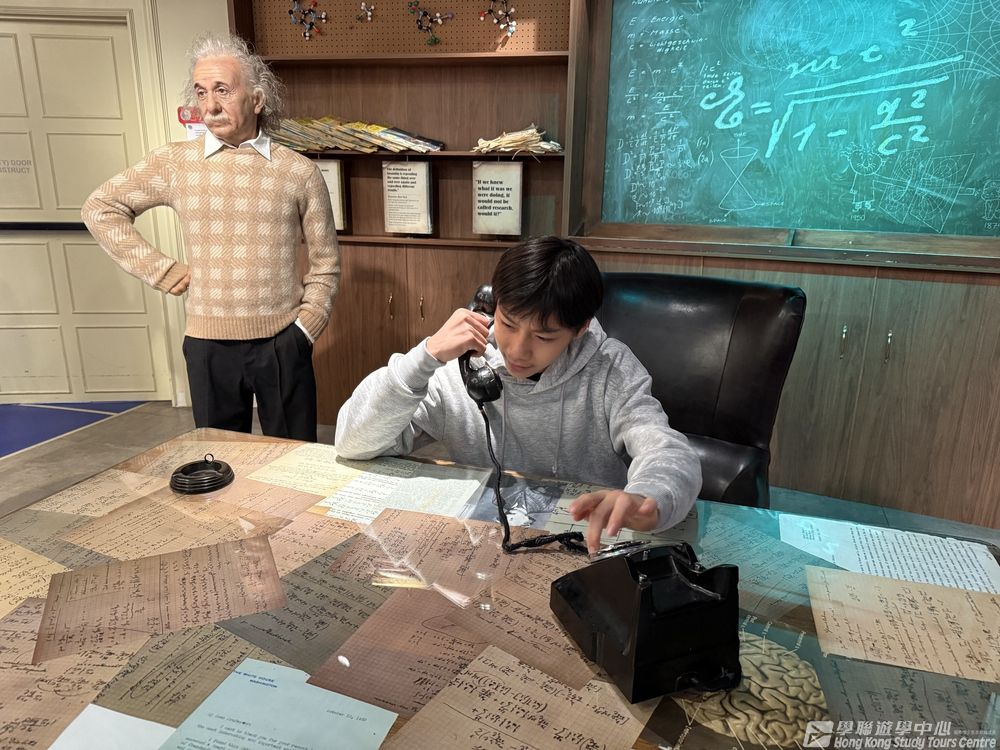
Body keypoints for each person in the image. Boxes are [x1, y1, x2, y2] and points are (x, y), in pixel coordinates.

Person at [335, 236, 701, 552]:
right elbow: (352, 443)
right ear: (493, 304)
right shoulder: (462, 364)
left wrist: (647, 499)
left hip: (585, 543)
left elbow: (667, 451)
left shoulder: (610, 369)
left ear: (580, 329)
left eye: (543, 336)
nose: (518, 350)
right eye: (508, 323)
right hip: (482, 543)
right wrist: (424, 356)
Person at [82, 33, 339, 442]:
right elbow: (100, 207)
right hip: (207, 346)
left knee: (294, 458)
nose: (210, 106)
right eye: (201, 92)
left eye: (222, 90)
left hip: (282, 341)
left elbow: (326, 264)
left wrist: (305, 328)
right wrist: (160, 270)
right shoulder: (175, 163)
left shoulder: (298, 171)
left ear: (257, 99)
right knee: (217, 462)